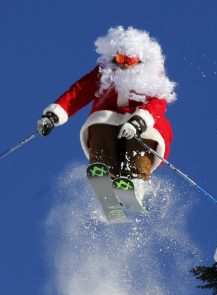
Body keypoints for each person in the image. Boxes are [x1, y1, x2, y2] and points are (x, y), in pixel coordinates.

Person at [36, 26, 176, 184]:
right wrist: (53, 116)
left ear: (140, 61)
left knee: (143, 138)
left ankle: (136, 179)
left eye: (129, 60)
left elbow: (158, 103)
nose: (123, 66)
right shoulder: (104, 72)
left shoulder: (152, 79)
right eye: (120, 59)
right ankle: (105, 173)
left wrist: (139, 121)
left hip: (139, 121)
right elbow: (79, 93)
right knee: (101, 130)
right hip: (107, 118)